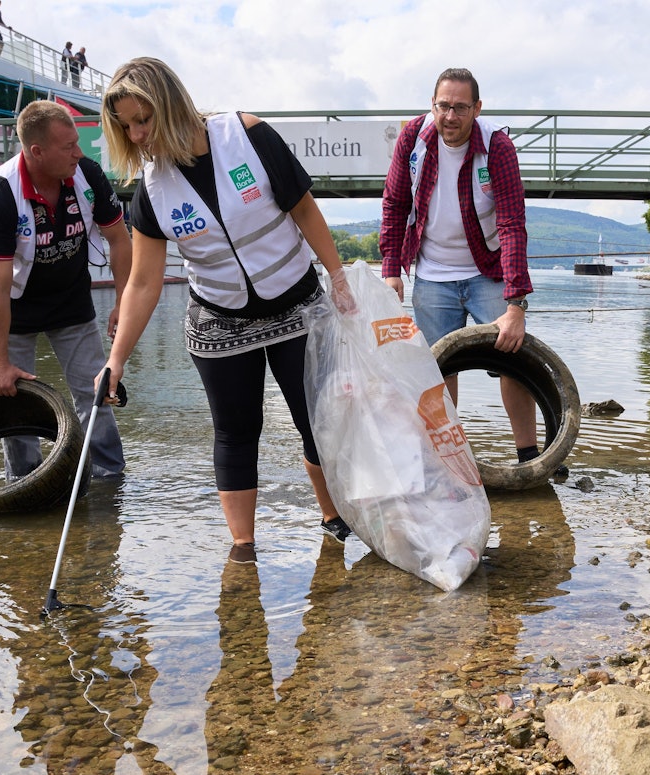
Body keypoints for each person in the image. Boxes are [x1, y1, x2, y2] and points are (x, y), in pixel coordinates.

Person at [98, 57, 356, 552]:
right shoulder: (150, 190)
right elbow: (144, 282)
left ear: (171, 104)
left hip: (294, 303)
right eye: (126, 126)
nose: (136, 135)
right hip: (220, 318)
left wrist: (339, 278)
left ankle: (332, 517)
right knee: (236, 433)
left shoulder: (249, 136)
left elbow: (303, 207)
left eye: (143, 120)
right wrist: (116, 359)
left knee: (315, 421)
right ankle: (243, 549)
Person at [381, 67, 558, 473]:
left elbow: (513, 222)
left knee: (513, 359)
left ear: (477, 108)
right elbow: (394, 203)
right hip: (432, 272)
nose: (451, 117)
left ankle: (529, 456)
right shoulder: (413, 138)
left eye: (461, 107)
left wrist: (516, 305)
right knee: (438, 367)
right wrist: (392, 267)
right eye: (444, 106)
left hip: (488, 271)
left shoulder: (497, 146)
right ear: (433, 105)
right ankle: (445, 460)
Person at [0, 99, 131, 481]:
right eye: (69, 147)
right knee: (15, 398)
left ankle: (109, 475)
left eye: (78, 143)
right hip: (15, 305)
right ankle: (23, 483)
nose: (79, 153)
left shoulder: (87, 175)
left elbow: (120, 240)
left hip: (70, 299)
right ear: (37, 152)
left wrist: (122, 302)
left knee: (94, 391)